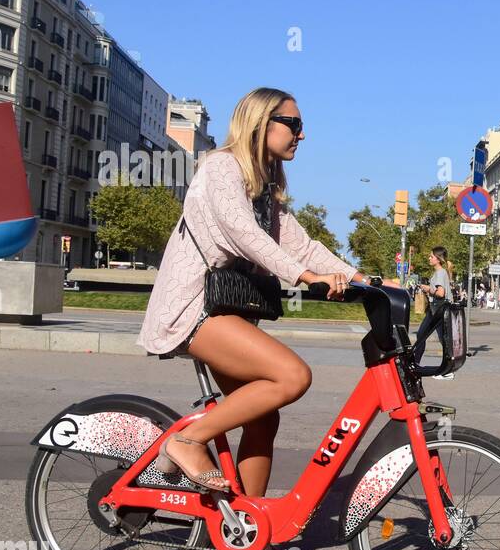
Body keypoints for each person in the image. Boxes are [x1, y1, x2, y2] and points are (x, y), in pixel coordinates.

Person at [137, 87, 364, 494]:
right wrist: (305, 277)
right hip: (195, 308)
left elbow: (303, 245)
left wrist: (366, 280)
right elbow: (243, 236)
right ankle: (186, 441)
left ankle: (244, 528)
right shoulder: (221, 168)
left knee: (264, 418)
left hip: (225, 311)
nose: (302, 134)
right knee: (292, 376)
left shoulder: (263, 187)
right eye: (293, 124)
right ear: (261, 124)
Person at [413, 246, 455, 380]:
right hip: (436, 309)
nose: (429, 258)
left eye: (431, 256)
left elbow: (440, 293)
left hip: (438, 309)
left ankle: (448, 370)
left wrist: (427, 289)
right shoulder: (440, 272)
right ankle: (415, 364)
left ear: (438, 259)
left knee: (443, 339)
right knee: (422, 335)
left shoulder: (440, 273)